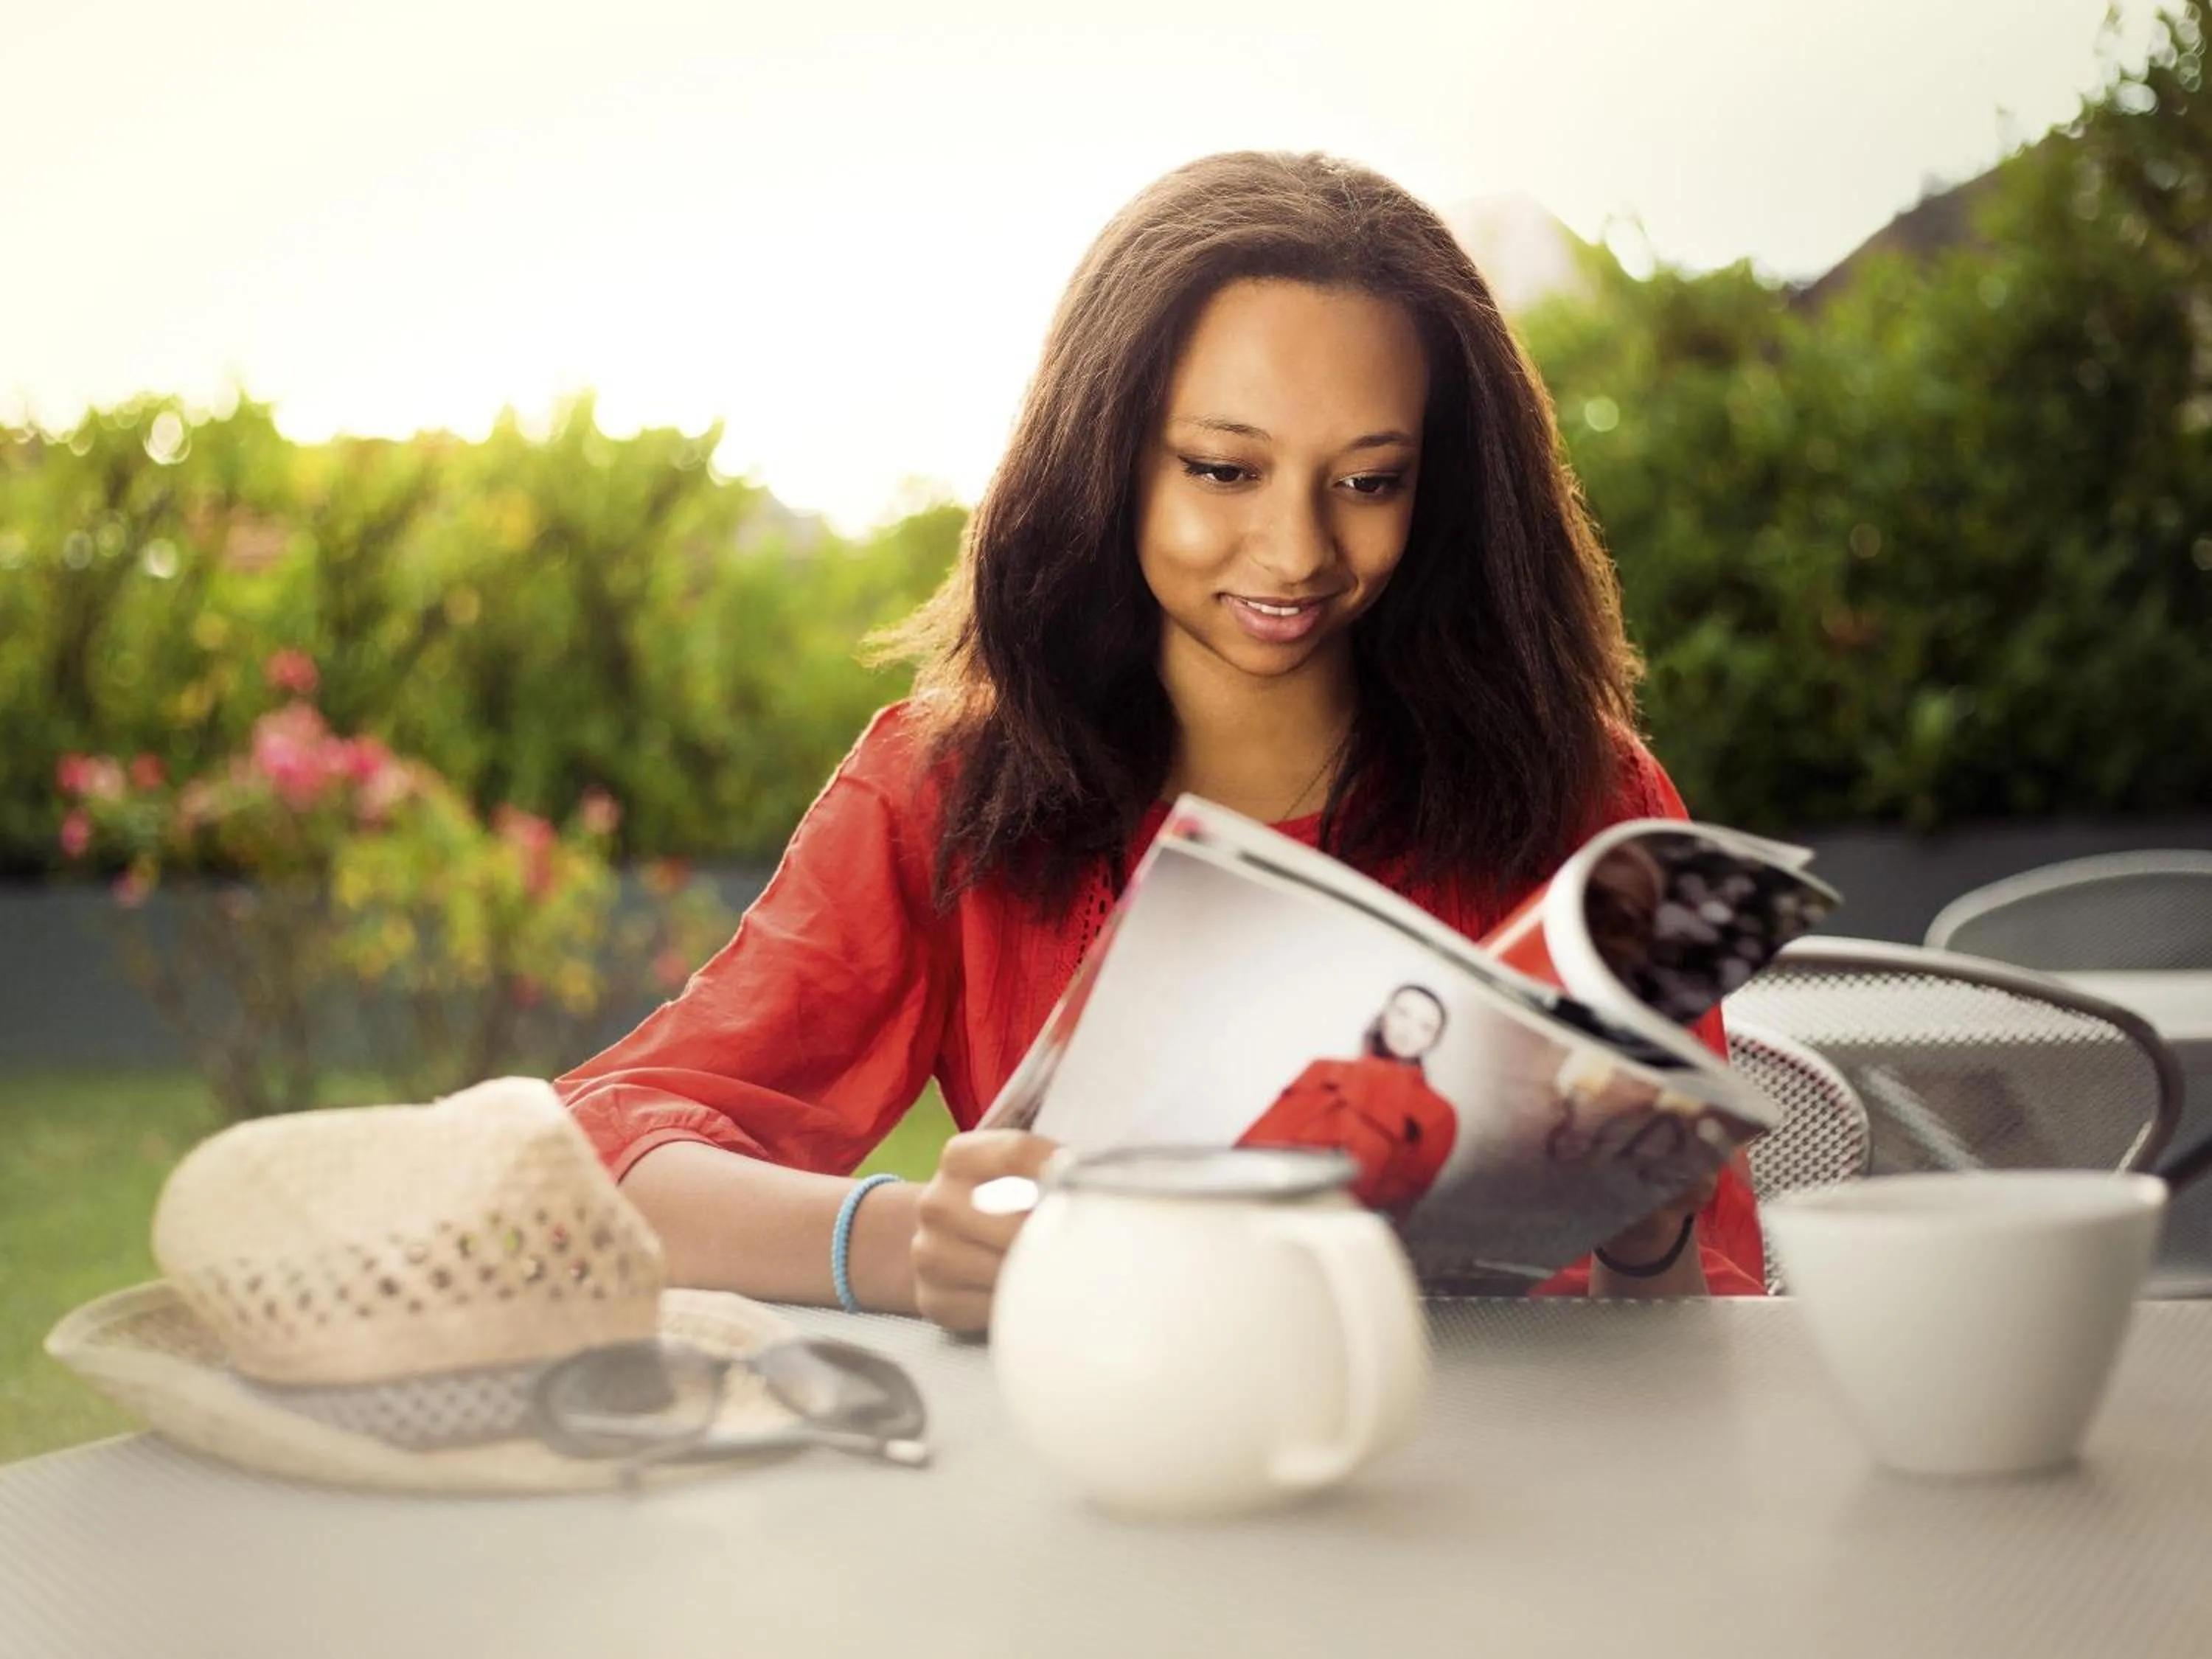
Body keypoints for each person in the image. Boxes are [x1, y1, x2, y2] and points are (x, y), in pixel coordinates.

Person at [555, 150, 1769, 1330]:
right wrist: (908, 1241)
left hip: (1500, 1455)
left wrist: (1644, 1230)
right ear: (1107, 453)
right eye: (1225, 469)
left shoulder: (1589, 801)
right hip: (1117, 1434)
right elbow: (584, 1160)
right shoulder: (944, 791)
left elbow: (1704, 1324)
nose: (1296, 551)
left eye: (1369, 481)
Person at [1238, 985, 1460, 1217]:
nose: (1409, 1030)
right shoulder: (1324, 1071)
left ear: (1434, 1040)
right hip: (1269, 1205)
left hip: (1342, 1221)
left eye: (1425, 1027)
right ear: (1384, 1015)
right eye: (1402, 1013)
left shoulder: (1438, 1113)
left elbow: (1401, 1198)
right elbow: (1258, 1142)